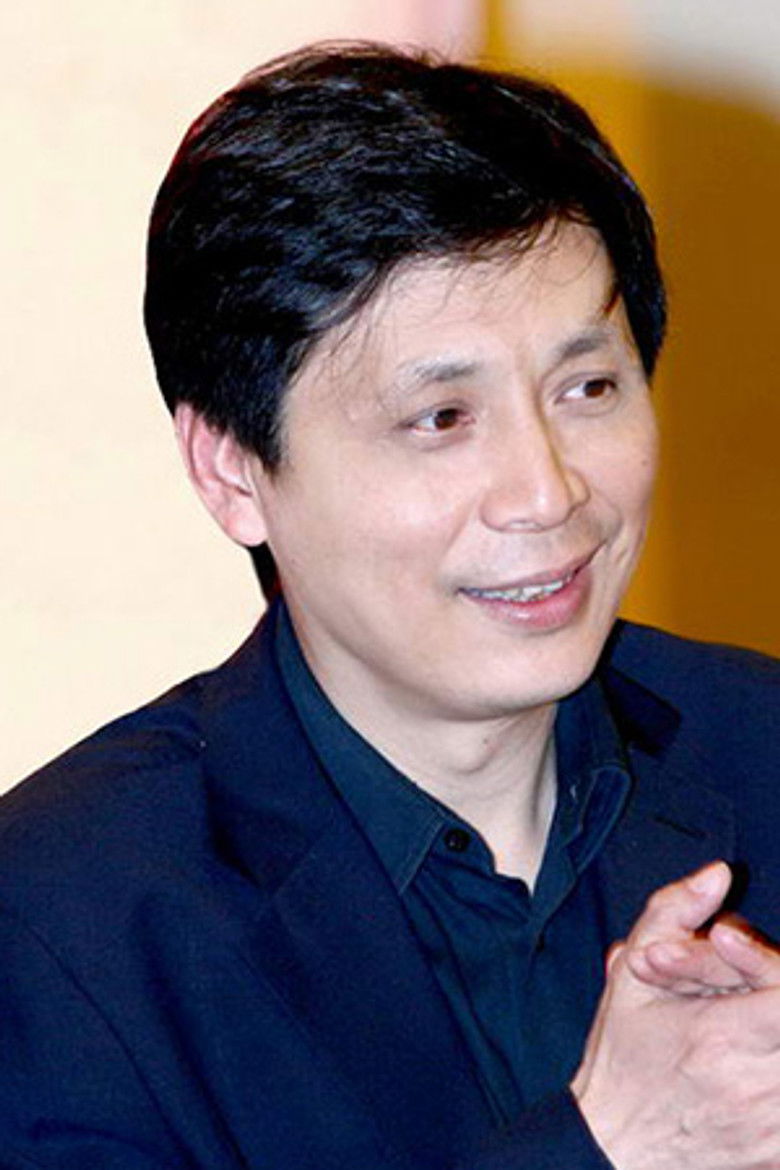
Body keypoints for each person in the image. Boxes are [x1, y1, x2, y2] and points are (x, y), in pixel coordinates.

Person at [1, 42, 779, 1170]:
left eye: (588, 387)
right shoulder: (61, 930)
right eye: (441, 419)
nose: (548, 492)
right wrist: (609, 1146)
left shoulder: (763, 747)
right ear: (232, 472)